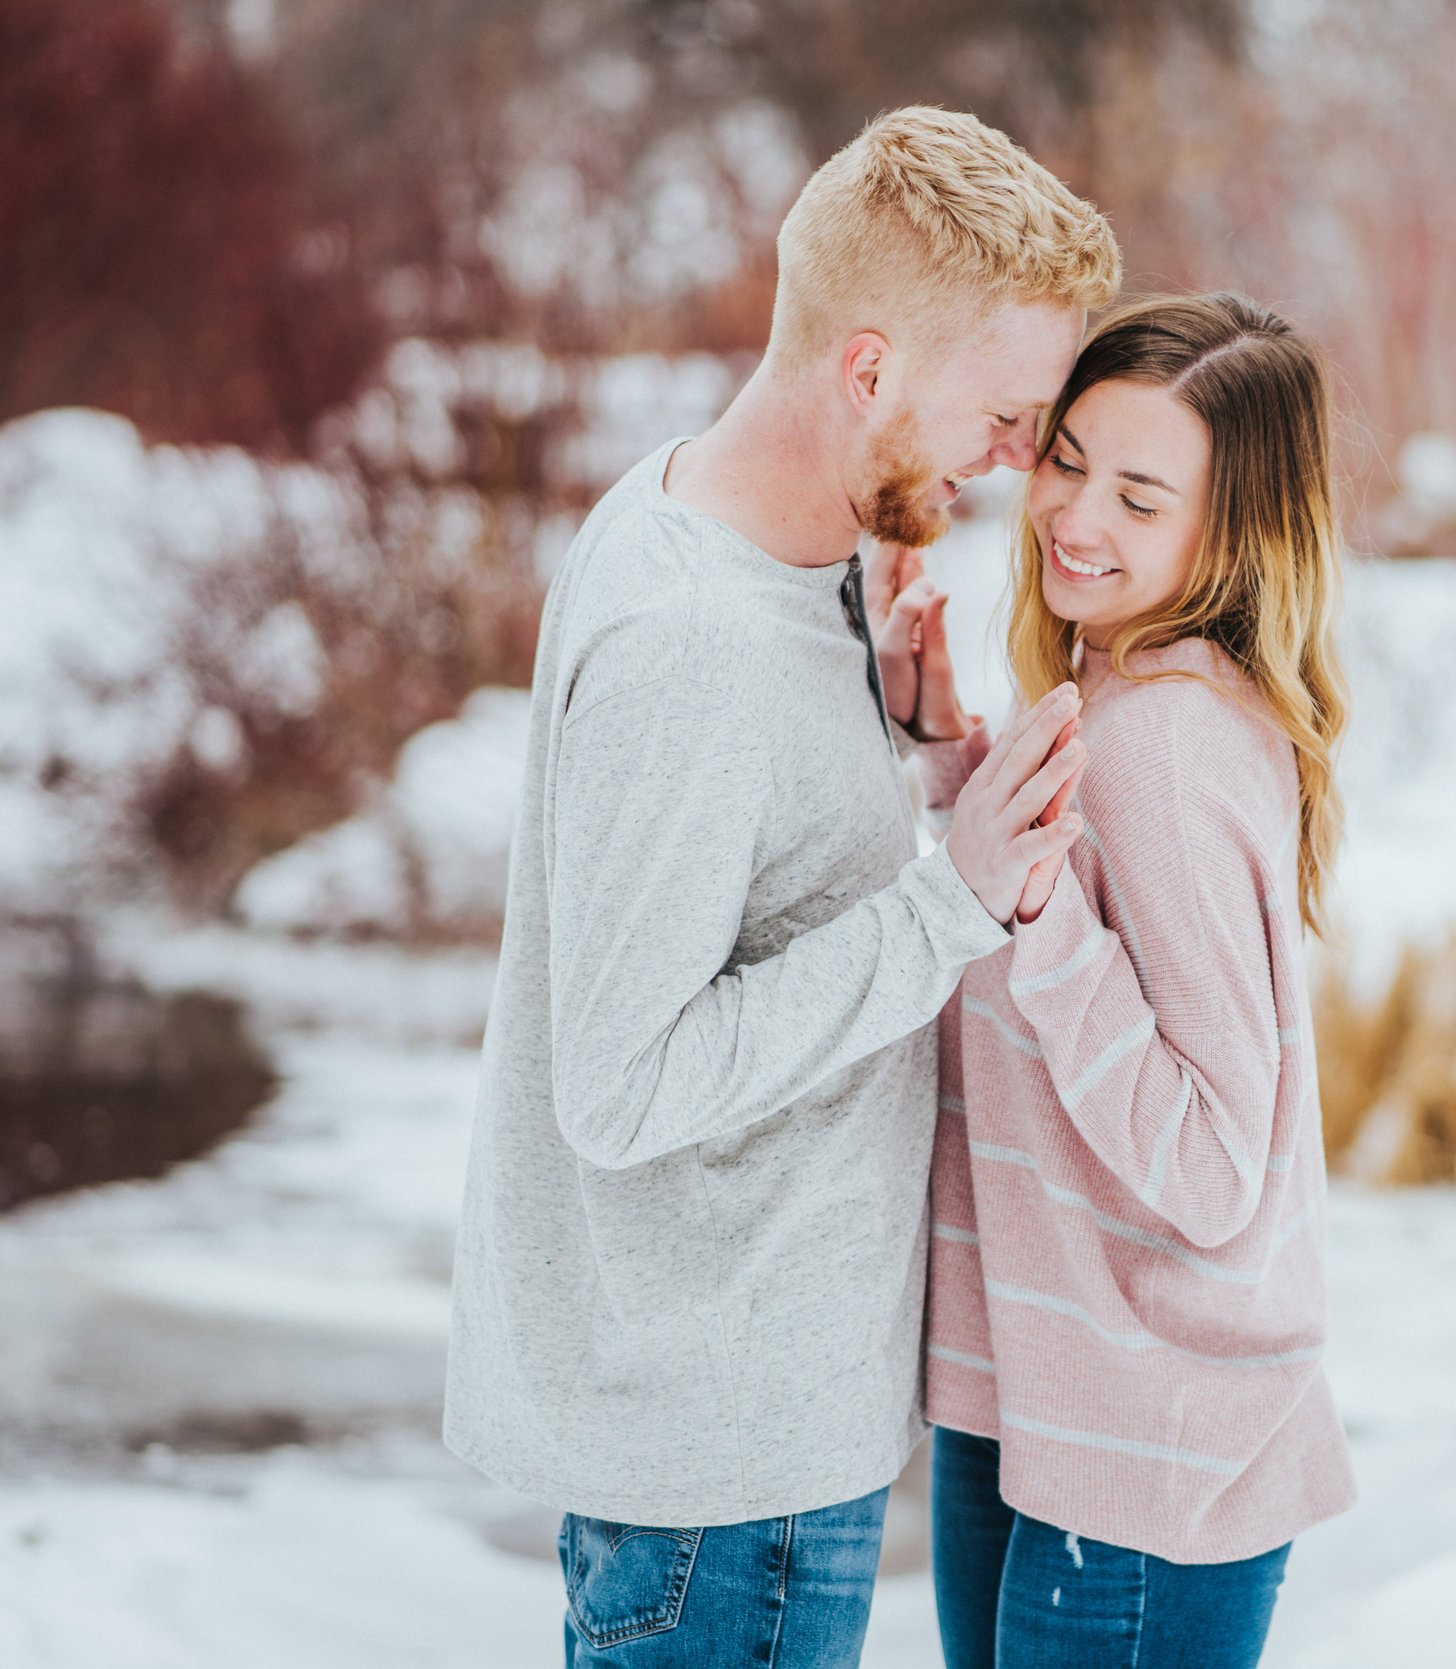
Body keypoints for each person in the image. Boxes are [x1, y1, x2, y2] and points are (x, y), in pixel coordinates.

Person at [442, 107, 1119, 1668]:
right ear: (869, 371)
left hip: (730, 1448)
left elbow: (738, 860)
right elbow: (621, 1083)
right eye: (1004, 416)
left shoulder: (735, 531)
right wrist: (953, 903)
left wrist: (882, 705)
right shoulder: (696, 645)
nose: (1021, 464)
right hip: (720, 1493)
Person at [923, 293, 1358, 1669]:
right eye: (1069, 460)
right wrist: (960, 770)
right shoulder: (1116, 706)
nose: (1076, 516)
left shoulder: (1168, 746)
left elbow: (1216, 1157)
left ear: (1230, 535)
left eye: (1140, 494)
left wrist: (1038, 910)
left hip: (1143, 1459)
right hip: (1046, 1412)